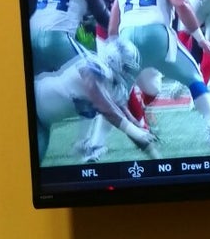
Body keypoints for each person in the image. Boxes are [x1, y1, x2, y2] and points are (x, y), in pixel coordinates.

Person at [108, 0, 210, 144]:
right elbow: (181, 4)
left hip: (126, 37)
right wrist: (201, 39)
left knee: (116, 92)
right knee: (195, 78)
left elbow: (114, 20)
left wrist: (114, 45)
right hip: (156, 33)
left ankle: (95, 144)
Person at [34, 36, 151, 164]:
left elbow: (123, 113)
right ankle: (89, 144)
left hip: (43, 123)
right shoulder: (92, 67)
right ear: (113, 60)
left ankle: (86, 143)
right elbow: (108, 110)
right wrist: (137, 133)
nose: (128, 72)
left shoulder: (110, 83)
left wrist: (143, 133)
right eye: (126, 67)